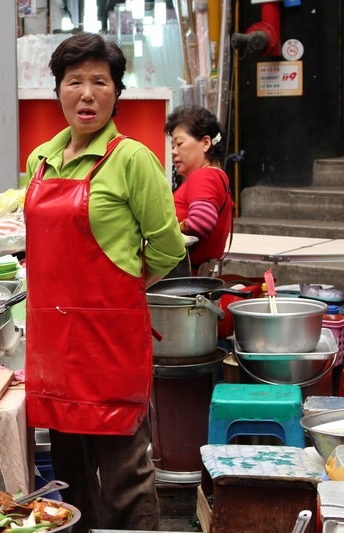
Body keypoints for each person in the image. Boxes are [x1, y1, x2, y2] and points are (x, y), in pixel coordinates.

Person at [23, 33, 185, 531]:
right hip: (53, 343)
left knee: (123, 475)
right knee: (69, 474)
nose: (87, 94)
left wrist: (119, 293)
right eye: (75, 82)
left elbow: (168, 248)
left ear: (117, 92)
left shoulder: (133, 159)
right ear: (58, 91)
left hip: (108, 342)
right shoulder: (40, 159)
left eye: (100, 82)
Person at [164, 105, 233, 275]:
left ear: (206, 143)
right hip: (192, 281)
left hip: (180, 283)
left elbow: (201, 221)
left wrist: (157, 232)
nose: (173, 151)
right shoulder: (217, 176)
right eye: (172, 145)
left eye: (179, 143)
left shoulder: (203, 176)